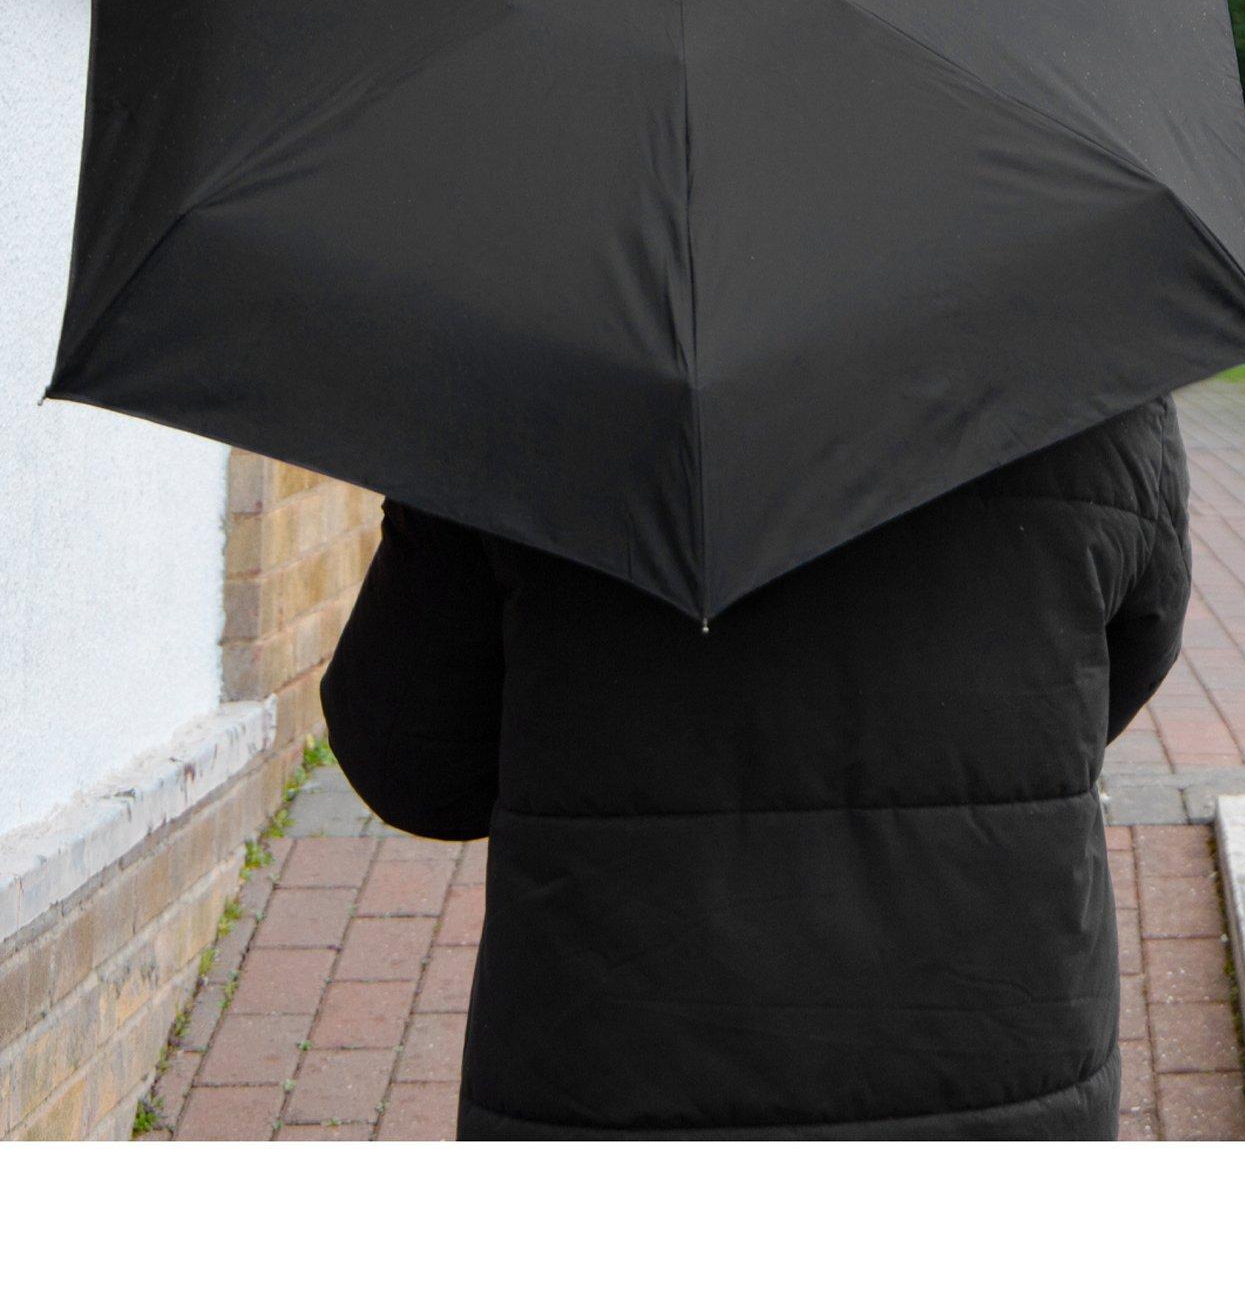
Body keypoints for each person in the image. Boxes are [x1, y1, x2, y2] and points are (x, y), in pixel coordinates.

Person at [321, 394, 1190, 1140]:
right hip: (995, 1060)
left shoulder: (520, 382)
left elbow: (412, 762)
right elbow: (1125, 661)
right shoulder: (1087, 372)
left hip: (616, 1068)